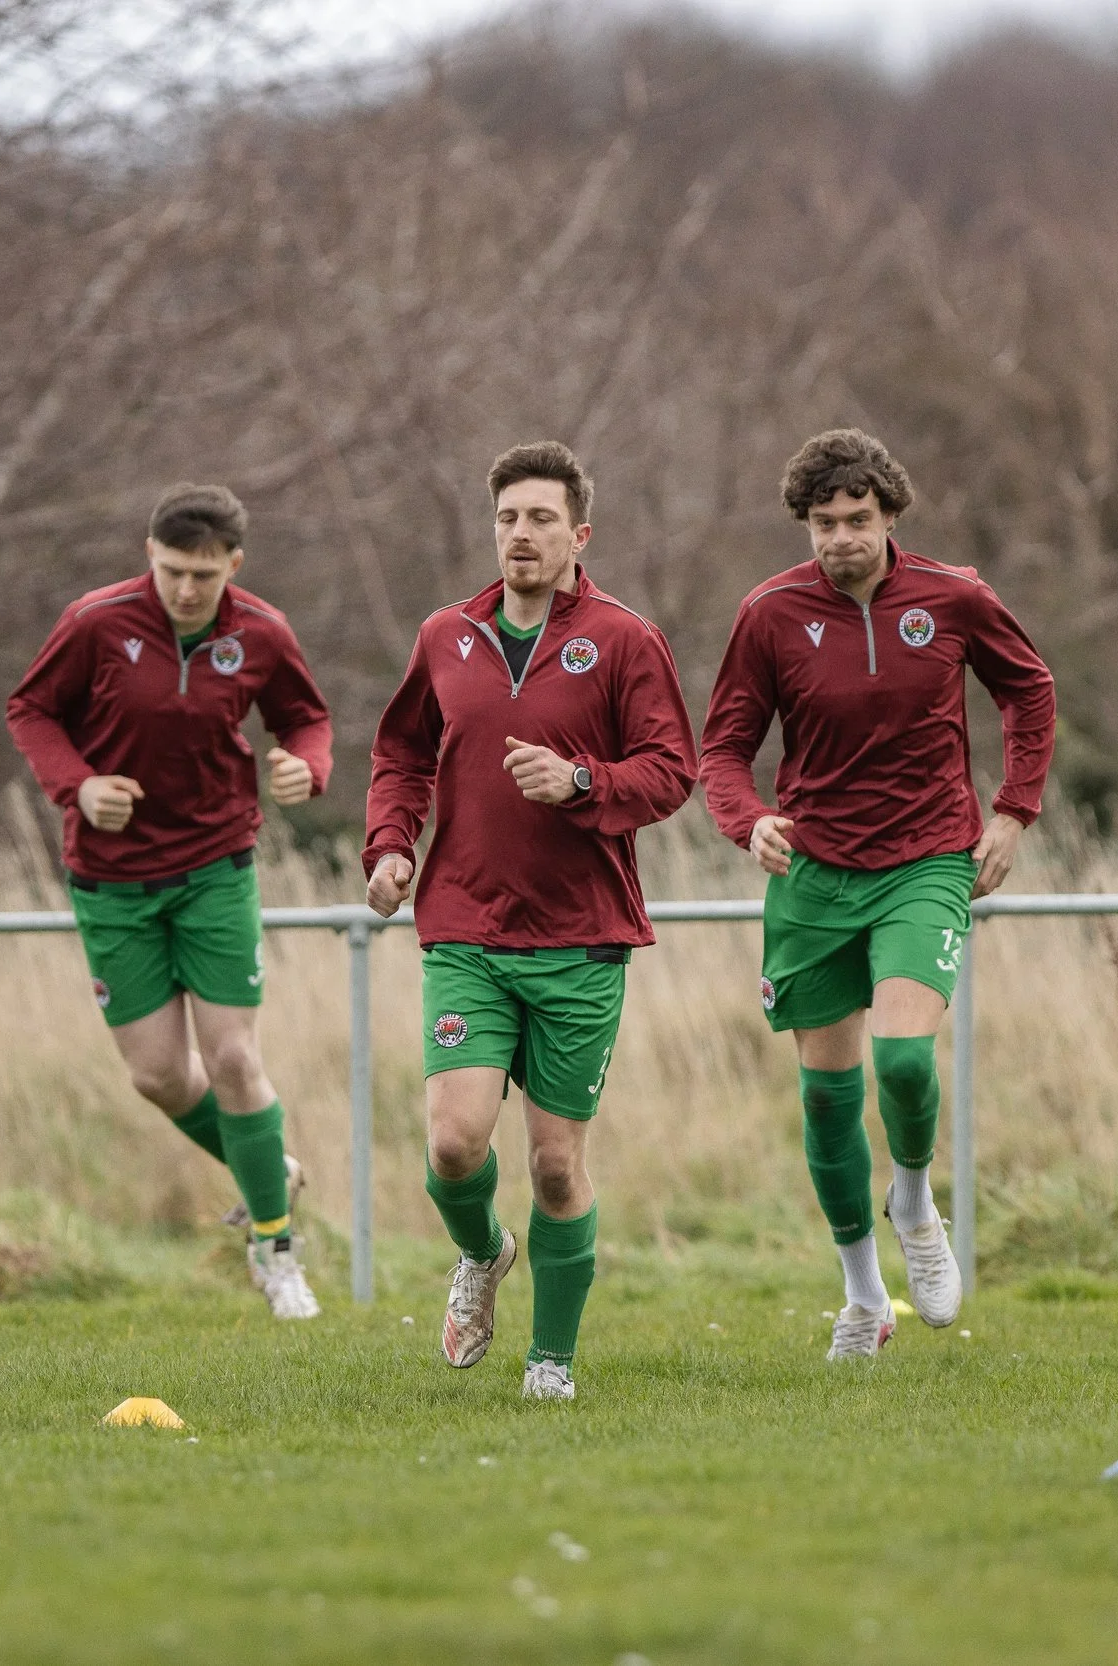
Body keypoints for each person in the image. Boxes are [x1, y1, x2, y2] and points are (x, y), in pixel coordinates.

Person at [700, 429, 1055, 1359]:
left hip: (928, 861)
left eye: (857, 520)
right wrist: (750, 820)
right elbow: (723, 751)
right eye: (823, 524)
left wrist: (1014, 810)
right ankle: (863, 1299)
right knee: (825, 1098)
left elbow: (1030, 691)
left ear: (891, 514)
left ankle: (913, 1198)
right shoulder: (769, 614)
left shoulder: (954, 597)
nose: (840, 539)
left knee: (902, 1065)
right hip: (814, 873)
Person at [364, 442, 698, 1400]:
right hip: (466, 926)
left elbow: (671, 770)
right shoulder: (445, 636)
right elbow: (401, 756)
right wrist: (391, 844)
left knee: (557, 1167)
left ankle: (550, 1363)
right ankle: (482, 1252)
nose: (522, 533)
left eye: (542, 518)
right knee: (454, 1145)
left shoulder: (626, 640)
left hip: (582, 938)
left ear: (578, 533)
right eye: (509, 517)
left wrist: (582, 779)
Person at [7, 482, 332, 1320]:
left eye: (202, 574)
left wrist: (306, 765)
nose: (185, 590)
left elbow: (305, 722)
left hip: (217, 867)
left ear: (233, 565)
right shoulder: (95, 623)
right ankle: (273, 1170)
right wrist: (76, 786)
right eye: (170, 571)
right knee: (156, 1073)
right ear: (148, 556)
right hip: (112, 880)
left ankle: (275, 1244)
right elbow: (32, 710)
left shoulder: (261, 632)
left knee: (231, 1058)